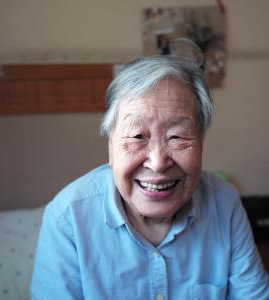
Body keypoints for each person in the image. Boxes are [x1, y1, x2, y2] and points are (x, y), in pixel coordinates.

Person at [31, 52, 269, 299]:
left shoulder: (225, 203)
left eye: (177, 136)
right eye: (137, 137)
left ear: (201, 143)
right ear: (110, 147)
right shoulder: (68, 218)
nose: (157, 163)